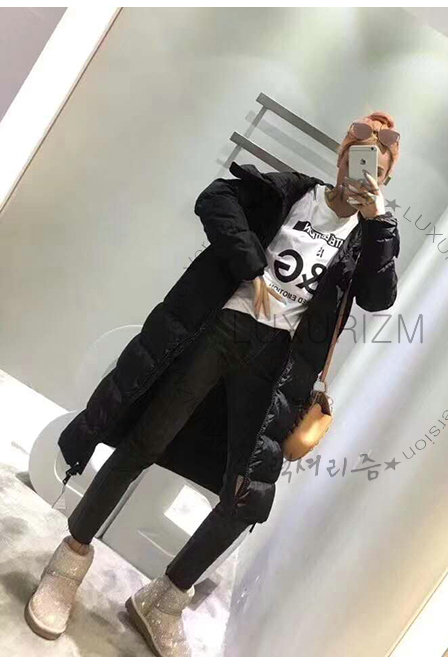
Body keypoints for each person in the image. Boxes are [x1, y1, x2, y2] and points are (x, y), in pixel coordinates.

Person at [24, 112, 401, 656]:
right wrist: (252, 269)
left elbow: (379, 296)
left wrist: (380, 220)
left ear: (384, 180)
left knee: (246, 496)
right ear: (342, 158)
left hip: (277, 363)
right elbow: (215, 199)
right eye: (355, 160)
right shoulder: (294, 193)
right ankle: (69, 561)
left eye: (375, 171)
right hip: (224, 328)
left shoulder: (368, 237)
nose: (360, 174)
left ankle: (164, 599)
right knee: (143, 442)